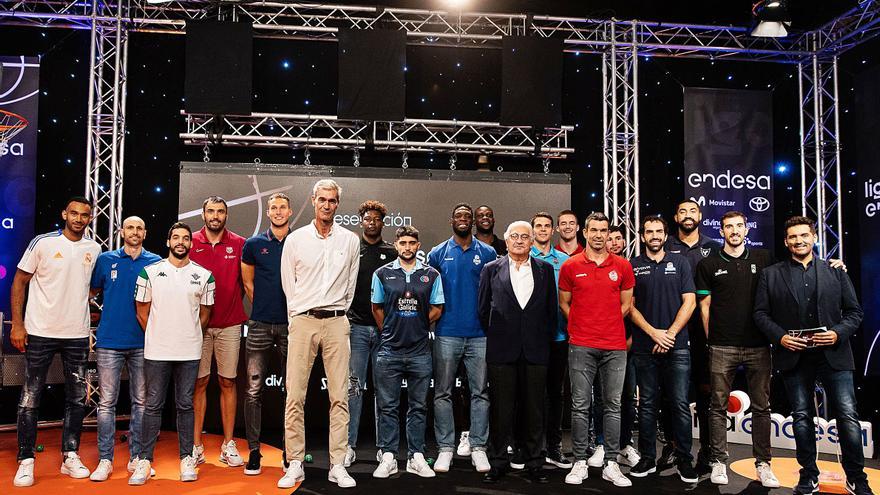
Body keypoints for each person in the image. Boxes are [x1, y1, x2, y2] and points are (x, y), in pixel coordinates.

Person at [754, 216, 873, 495]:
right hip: (794, 356)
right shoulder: (771, 275)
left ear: (815, 237)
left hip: (834, 353)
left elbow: (854, 312)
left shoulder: (835, 271)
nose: (799, 240)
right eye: (793, 237)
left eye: (804, 235)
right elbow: (760, 313)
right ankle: (808, 475)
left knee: (847, 416)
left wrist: (837, 333)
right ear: (786, 242)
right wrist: (781, 337)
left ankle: (857, 477)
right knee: (801, 417)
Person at [11, 196, 102, 487]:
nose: (78, 218)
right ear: (64, 213)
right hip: (39, 332)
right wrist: (18, 324)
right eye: (73, 213)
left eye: (84, 215)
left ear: (90, 218)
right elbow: (19, 281)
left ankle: (70, 455)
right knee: (30, 397)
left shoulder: (94, 249)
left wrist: (74, 303)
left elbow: (92, 287)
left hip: (76, 335)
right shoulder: (43, 243)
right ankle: (26, 460)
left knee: (77, 398)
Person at [277, 179, 360, 489]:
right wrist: (299, 317)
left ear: (338, 204)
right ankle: (295, 462)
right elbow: (289, 285)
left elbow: (350, 286)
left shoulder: (350, 241)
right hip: (303, 321)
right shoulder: (296, 240)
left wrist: (338, 313)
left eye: (333, 200)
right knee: (295, 395)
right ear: (313, 201)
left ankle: (337, 464)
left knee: (340, 396)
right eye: (322, 199)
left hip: (338, 322)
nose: (327, 205)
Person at [694, 211, 778, 487]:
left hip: (758, 345)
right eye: (728, 226)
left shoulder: (764, 259)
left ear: (746, 230)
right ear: (721, 231)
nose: (734, 230)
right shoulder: (708, 264)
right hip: (721, 345)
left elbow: (792, 271)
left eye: (738, 226)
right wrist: (711, 337)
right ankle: (719, 461)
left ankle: (763, 464)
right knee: (717, 406)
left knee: (762, 407)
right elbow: (704, 306)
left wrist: (834, 264)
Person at [130, 222, 215, 485]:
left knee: (185, 405)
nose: (180, 242)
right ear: (168, 242)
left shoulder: (204, 275)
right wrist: (160, 334)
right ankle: (144, 461)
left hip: (189, 351)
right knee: (152, 406)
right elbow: (142, 312)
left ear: (191, 243)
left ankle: (187, 458)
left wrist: (186, 333)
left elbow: (205, 314)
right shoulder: (149, 272)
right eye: (175, 237)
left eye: (185, 238)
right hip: (157, 351)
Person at [558, 212, 634, 487]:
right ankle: (580, 460)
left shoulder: (623, 266)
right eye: (594, 230)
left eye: (604, 230)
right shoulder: (571, 265)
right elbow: (564, 303)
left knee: (613, 405)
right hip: (581, 344)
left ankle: (611, 463)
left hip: (614, 345)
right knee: (580, 405)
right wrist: (582, 324)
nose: (599, 235)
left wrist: (608, 323)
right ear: (585, 232)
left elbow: (626, 305)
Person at [479, 221, 557, 484]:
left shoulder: (545, 270)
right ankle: (498, 462)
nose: (520, 240)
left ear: (533, 240)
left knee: (535, 410)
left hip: (536, 350)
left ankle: (535, 462)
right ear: (506, 239)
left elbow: (551, 312)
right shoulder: (491, 269)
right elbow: (482, 312)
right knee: (501, 410)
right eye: (515, 236)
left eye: (525, 236)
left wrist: (538, 338)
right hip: (502, 350)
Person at [88, 216, 162, 482]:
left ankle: (137, 458)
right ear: (121, 231)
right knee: (106, 403)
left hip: (143, 342)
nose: (134, 231)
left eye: (139, 228)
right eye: (130, 227)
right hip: (109, 341)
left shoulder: (155, 263)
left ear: (145, 233)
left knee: (141, 402)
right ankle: (105, 460)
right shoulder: (106, 260)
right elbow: (92, 292)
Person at [626, 215, 698, 483]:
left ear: (666, 235)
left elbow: (689, 302)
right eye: (649, 231)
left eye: (659, 231)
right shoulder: (632, 265)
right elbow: (629, 306)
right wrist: (654, 333)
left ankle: (684, 459)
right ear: (642, 235)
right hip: (645, 346)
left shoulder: (679, 262)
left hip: (677, 346)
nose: (654, 235)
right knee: (646, 405)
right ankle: (646, 457)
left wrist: (669, 334)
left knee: (679, 404)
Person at [370, 226, 444, 480]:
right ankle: (389, 455)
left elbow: (437, 308)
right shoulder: (382, 274)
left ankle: (416, 456)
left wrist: (420, 324)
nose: (408, 247)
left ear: (418, 245)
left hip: (420, 351)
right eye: (403, 243)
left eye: (412, 242)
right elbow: (377, 308)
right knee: (388, 407)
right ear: (396, 245)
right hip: (389, 350)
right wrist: (390, 328)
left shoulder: (431, 275)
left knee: (418, 407)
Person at [428, 203, 496, 473]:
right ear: (451, 220)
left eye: (468, 217)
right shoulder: (437, 253)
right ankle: (446, 448)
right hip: (446, 333)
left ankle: (478, 447)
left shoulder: (488, 252)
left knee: (480, 392)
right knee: (443, 392)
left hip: (479, 334)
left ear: (473, 222)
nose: (464, 220)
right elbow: (427, 290)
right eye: (459, 216)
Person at [663, 199, 720, 471]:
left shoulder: (715, 247)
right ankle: (673, 447)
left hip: (704, 332)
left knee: (707, 394)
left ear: (700, 216)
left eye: (693, 211)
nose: (688, 216)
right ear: (676, 217)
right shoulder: (665, 246)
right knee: (673, 395)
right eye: (682, 211)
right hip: (673, 330)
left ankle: (708, 451)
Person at [190, 196, 247, 468]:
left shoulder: (239, 244)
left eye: (220, 211)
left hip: (230, 324)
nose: (215, 215)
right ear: (203, 214)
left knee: (228, 382)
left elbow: (247, 284)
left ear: (226, 215)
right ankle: (195, 446)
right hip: (196, 327)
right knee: (198, 384)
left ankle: (228, 444)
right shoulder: (190, 242)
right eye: (210, 211)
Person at [240, 193, 293, 475]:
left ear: (290, 211)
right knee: (253, 390)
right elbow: (248, 283)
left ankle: (290, 451)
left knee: (291, 391)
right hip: (260, 324)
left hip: (292, 325)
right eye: (272, 207)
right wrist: (264, 307)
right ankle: (254, 451)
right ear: (269, 212)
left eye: (282, 207)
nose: (276, 211)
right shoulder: (254, 244)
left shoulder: (299, 242)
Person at [345, 200, 397, 467]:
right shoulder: (353, 249)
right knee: (353, 388)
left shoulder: (392, 252)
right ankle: (349, 446)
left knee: (384, 389)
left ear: (383, 222)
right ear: (361, 221)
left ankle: (384, 447)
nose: (372, 222)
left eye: (377, 218)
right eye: (367, 218)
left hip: (385, 330)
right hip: (356, 328)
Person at [588, 223, 640, 469]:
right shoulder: (592, 267)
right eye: (612, 239)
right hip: (599, 341)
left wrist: (628, 338)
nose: (615, 243)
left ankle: (625, 444)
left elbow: (630, 306)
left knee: (626, 399)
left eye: (619, 238)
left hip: (626, 342)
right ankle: (600, 443)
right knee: (601, 398)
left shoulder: (627, 268)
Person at [529, 212, 571, 469]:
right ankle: (530, 446)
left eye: (547, 226)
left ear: (553, 230)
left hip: (559, 336)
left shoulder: (565, 261)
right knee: (530, 394)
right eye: (538, 226)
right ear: (532, 230)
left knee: (556, 394)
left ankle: (554, 447)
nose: (543, 230)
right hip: (530, 339)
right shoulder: (522, 257)